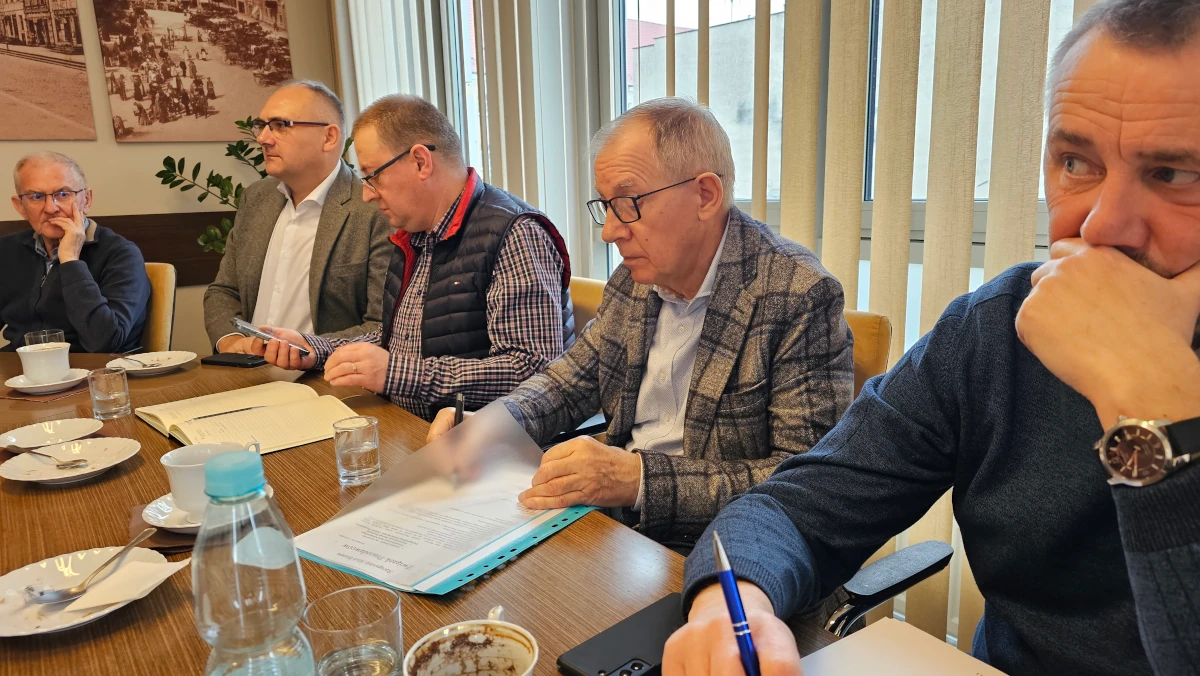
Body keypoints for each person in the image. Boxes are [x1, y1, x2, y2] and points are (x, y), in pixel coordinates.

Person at [663, 2, 1200, 674]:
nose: (1099, 226)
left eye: (1174, 174)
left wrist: (1152, 409)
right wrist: (729, 606)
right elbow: (797, 507)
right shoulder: (994, 329)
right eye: (1075, 162)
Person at [426, 98, 855, 552]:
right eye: (606, 206)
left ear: (705, 196)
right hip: (616, 533)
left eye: (628, 203)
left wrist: (638, 479)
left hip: (725, 549)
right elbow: (567, 383)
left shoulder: (796, 294)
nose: (610, 231)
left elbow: (806, 485)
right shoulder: (636, 279)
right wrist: (493, 426)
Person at [251, 94, 576, 422]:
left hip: (478, 441)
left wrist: (398, 373)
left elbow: (534, 371)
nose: (366, 194)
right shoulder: (417, 233)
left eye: (373, 176)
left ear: (421, 162)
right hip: (409, 426)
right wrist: (316, 349)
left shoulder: (517, 234)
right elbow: (399, 338)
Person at [204, 80, 391, 352]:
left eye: (280, 125)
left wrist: (309, 351)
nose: (263, 138)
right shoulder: (256, 198)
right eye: (262, 125)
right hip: (246, 367)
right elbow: (223, 292)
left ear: (329, 137)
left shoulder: (374, 209)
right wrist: (233, 342)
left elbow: (381, 326)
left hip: (323, 373)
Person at [1, 152, 150, 353]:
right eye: (36, 197)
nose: (50, 208)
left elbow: (105, 342)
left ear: (86, 200)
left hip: (91, 368)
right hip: (20, 366)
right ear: (20, 207)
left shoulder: (121, 254)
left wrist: (71, 261)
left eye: (63, 194)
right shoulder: (7, 250)